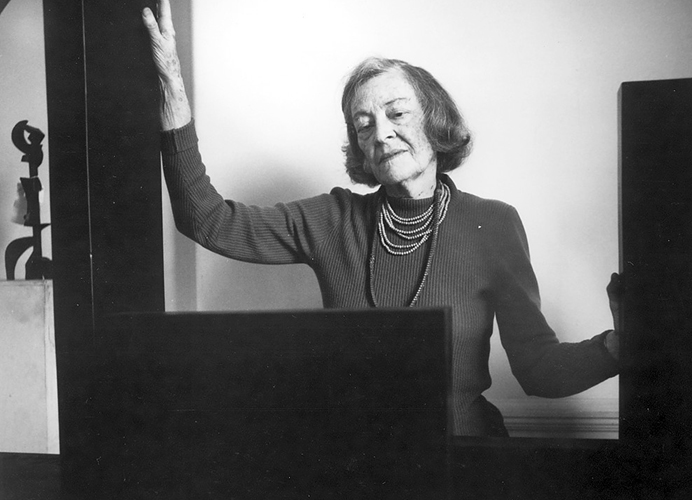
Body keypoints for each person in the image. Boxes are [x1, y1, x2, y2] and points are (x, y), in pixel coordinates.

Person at [142, 0, 620, 438]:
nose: (382, 133)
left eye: (396, 113)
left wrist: (619, 346)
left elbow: (538, 368)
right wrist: (172, 92)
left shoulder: (491, 224)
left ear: (435, 121)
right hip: (360, 466)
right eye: (364, 124)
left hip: (465, 464)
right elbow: (206, 220)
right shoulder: (333, 219)